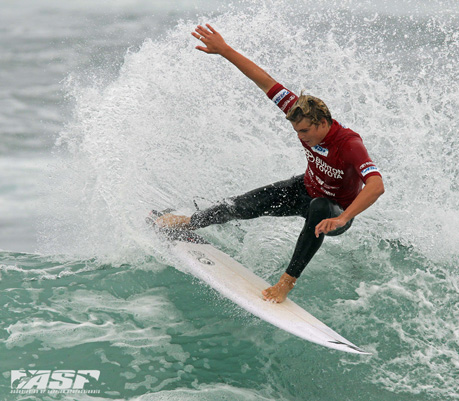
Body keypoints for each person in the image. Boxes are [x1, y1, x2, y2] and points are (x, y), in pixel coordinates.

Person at [157, 24, 384, 303]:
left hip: (334, 211)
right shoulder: (299, 113)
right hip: (304, 190)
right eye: (297, 131)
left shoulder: (349, 144)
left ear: (323, 123)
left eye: (304, 132)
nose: (300, 137)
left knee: (320, 207)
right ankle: (190, 222)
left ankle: (286, 283)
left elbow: (376, 185)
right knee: (240, 206)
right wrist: (225, 50)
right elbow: (264, 81)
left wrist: (344, 218)